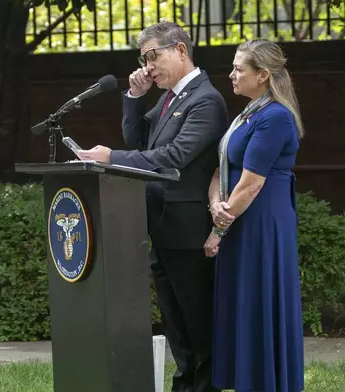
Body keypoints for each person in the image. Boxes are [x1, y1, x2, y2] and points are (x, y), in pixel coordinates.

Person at [77, 21, 228, 392]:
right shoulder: (169, 97)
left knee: (196, 319)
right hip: (160, 223)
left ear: (180, 50)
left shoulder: (205, 99)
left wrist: (111, 156)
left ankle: (204, 385)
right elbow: (141, 142)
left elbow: (174, 157)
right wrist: (133, 95)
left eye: (153, 56)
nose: (148, 67)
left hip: (188, 225)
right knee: (175, 320)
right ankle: (184, 383)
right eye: (143, 59)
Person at [203, 39, 305, 392]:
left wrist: (218, 229)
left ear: (262, 75)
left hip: (263, 222)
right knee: (244, 300)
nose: (231, 74)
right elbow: (222, 166)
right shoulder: (248, 113)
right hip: (240, 217)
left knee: (261, 295)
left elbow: (250, 185)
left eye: (238, 69)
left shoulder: (275, 116)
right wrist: (215, 201)